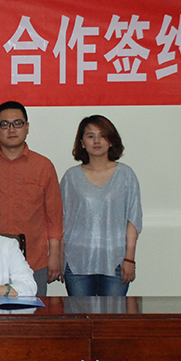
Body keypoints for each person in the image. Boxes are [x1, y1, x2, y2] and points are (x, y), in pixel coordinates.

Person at [0, 101, 63, 296]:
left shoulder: (43, 166)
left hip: (34, 261)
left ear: (27, 127)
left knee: (33, 313)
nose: (11, 129)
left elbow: (54, 216)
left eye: (17, 123)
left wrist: (54, 256)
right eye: (5, 124)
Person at [60, 115, 142, 296]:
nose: (96, 141)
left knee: (112, 315)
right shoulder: (71, 177)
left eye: (102, 135)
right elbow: (62, 220)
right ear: (82, 143)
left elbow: (133, 219)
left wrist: (129, 258)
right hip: (77, 263)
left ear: (111, 141)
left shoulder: (125, 175)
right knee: (81, 314)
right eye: (90, 136)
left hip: (116, 262)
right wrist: (58, 258)